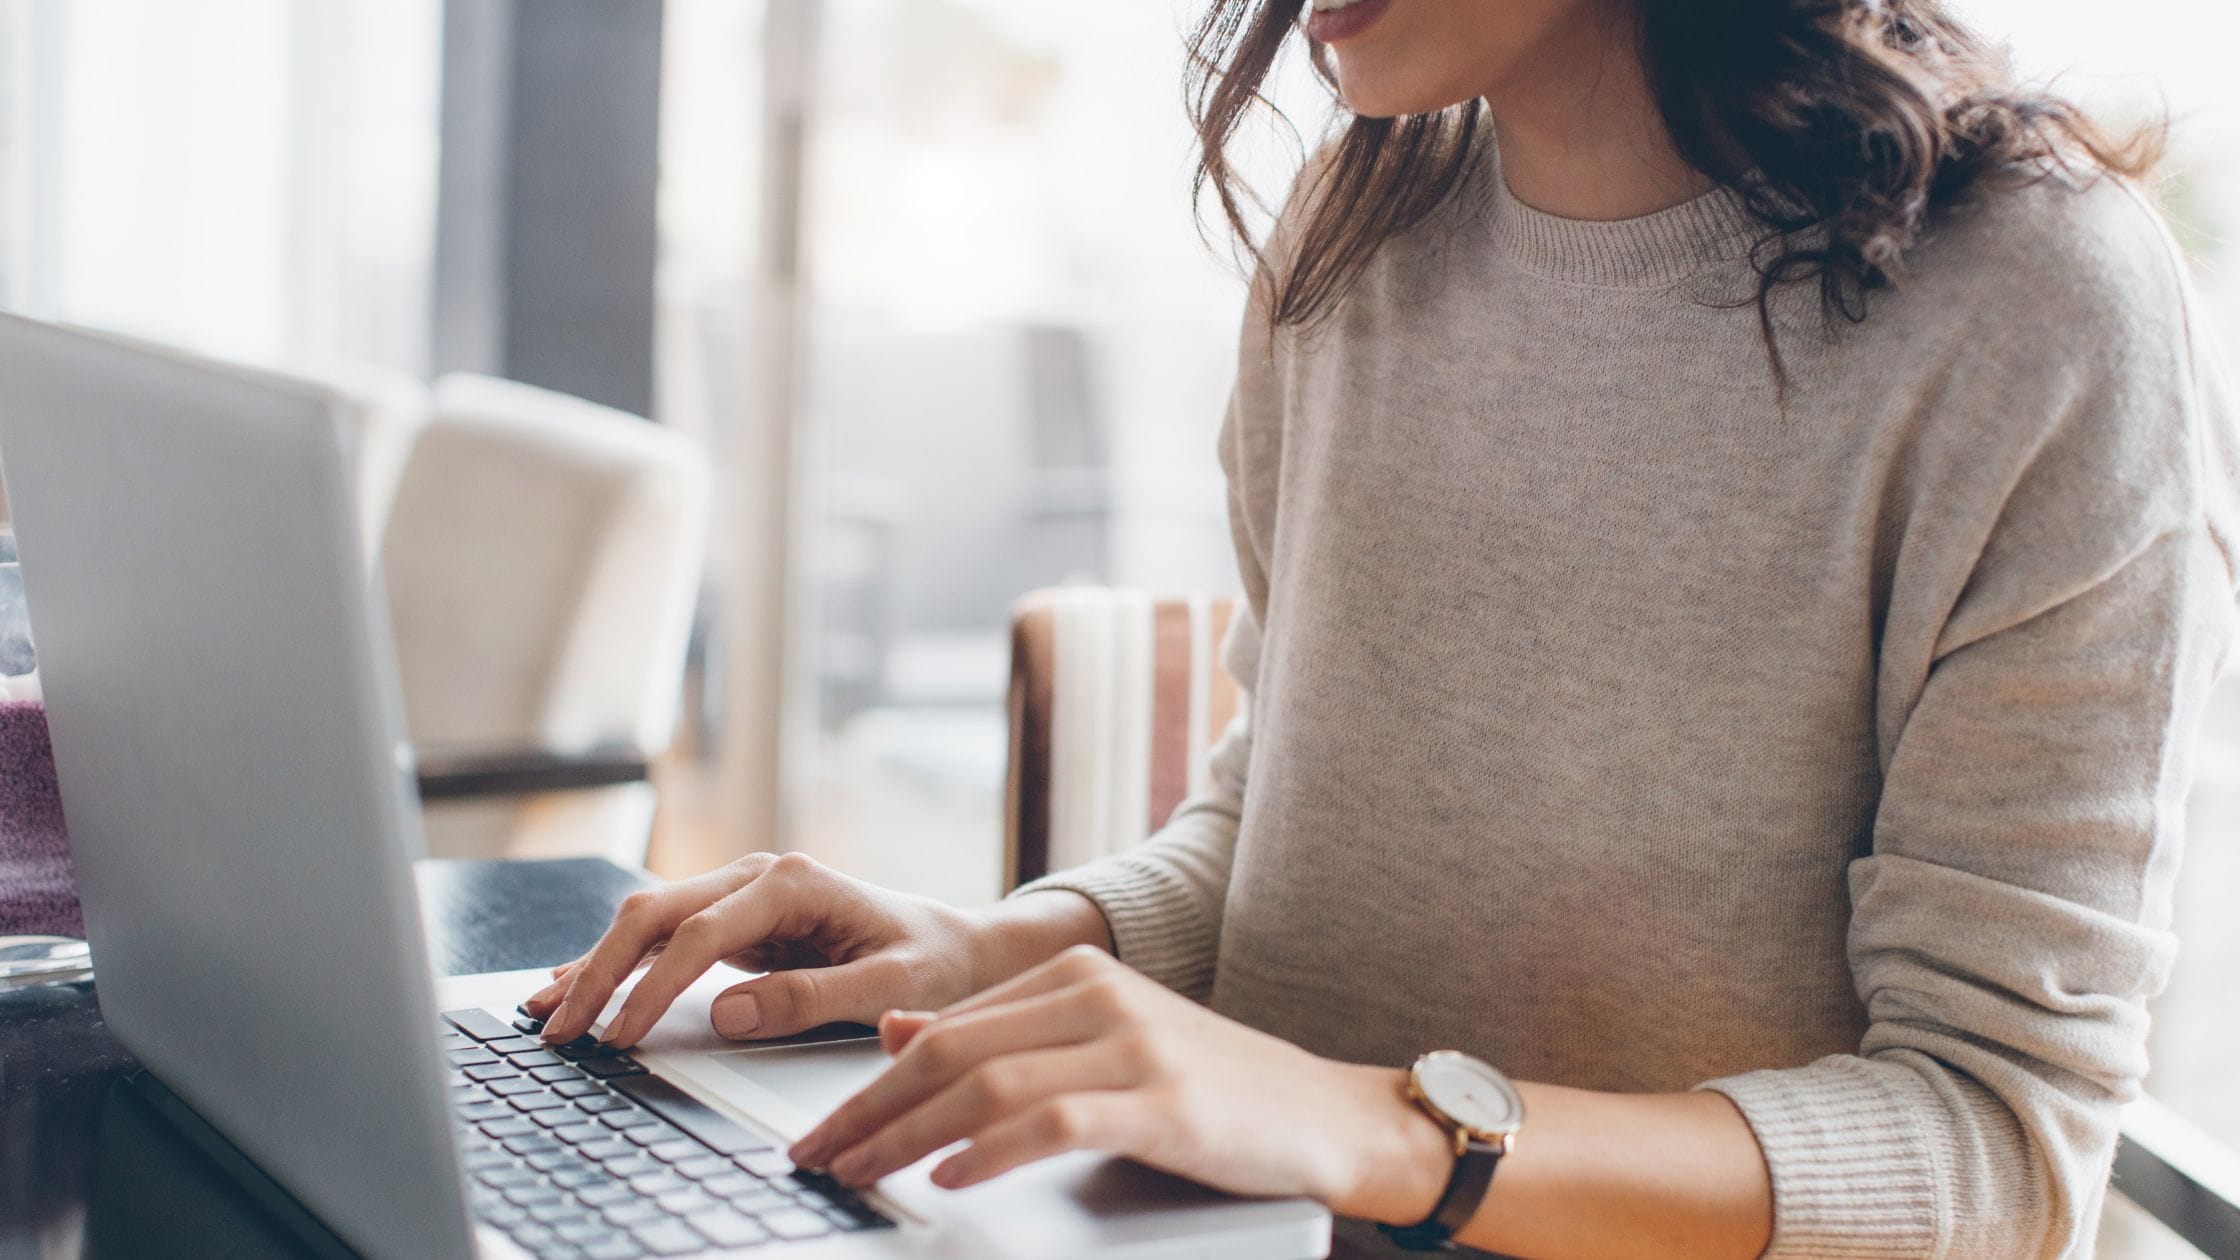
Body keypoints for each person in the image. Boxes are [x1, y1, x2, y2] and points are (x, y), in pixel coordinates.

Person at [528, 0, 2240, 1254]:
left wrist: (1384, 1127)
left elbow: (2004, 1148)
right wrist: (1000, 952)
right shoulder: (1353, 242)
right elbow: (1280, 842)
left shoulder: (2036, 306)